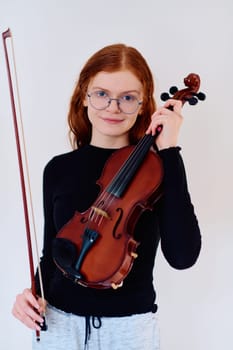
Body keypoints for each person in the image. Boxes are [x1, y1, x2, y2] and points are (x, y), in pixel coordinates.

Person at [12, 43, 201, 350]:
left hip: (130, 330)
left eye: (127, 98)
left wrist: (170, 150)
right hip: (59, 327)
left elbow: (183, 257)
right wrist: (31, 294)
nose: (113, 107)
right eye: (101, 94)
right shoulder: (58, 170)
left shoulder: (158, 169)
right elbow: (53, 254)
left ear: (143, 104)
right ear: (84, 97)